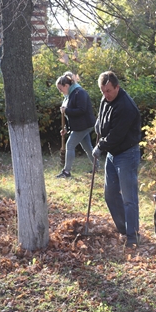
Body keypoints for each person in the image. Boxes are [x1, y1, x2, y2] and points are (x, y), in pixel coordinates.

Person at [92, 71, 142, 247]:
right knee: (110, 194)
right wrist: (98, 124)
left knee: (129, 197)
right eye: (103, 91)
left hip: (127, 153)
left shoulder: (126, 107)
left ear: (117, 87)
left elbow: (116, 135)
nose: (106, 95)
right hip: (113, 154)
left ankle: (133, 235)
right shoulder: (105, 100)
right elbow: (101, 119)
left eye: (109, 91)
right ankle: (123, 229)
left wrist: (99, 147)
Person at [55, 72, 97, 178]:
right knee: (87, 147)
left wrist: (66, 110)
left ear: (66, 85)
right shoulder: (69, 95)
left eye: (61, 89)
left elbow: (81, 110)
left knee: (70, 145)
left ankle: (66, 172)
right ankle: (97, 167)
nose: (60, 91)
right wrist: (66, 128)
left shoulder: (79, 92)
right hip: (79, 125)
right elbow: (70, 115)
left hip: (84, 125)